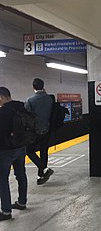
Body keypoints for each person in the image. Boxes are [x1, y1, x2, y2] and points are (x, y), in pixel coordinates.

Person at [0, 87, 28, 221]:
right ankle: (22, 202)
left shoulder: (3, 112)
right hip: (21, 148)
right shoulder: (22, 107)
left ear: (2, 97)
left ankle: (6, 211)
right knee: (21, 175)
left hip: (5, 150)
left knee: (2, 179)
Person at [25, 78, 54, 185]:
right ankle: (41, 175)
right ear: (43, 86)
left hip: (34, 131)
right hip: (46, 129)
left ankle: (43, 168)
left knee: (29, 151)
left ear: (33, 87)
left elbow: (26, 117)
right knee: (44, 151)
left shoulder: (30, 100)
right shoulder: (49, 99)